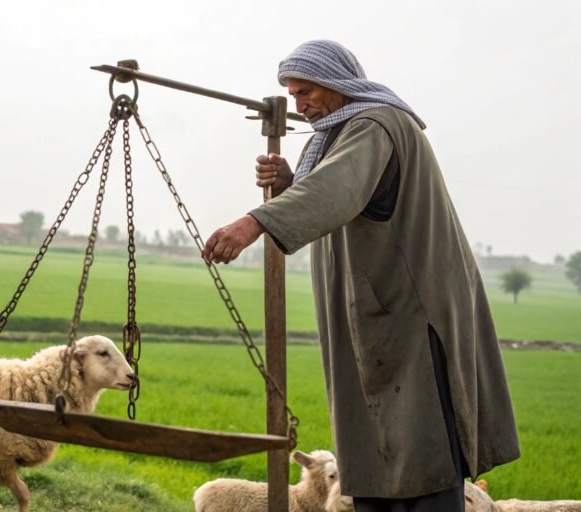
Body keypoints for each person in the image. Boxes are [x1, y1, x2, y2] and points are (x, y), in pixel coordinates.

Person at [202, 40, 519, 511]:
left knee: (421, 447)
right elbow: (347, 193)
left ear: (337, 83)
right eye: (291, 94)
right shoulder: (340, 134)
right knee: (372, 451)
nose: (299, 104)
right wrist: (292, 185)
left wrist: (254, 222)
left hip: (409, 314)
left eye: (307, 91)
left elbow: (338, 189)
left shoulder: (375, 124)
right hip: (376, 315)